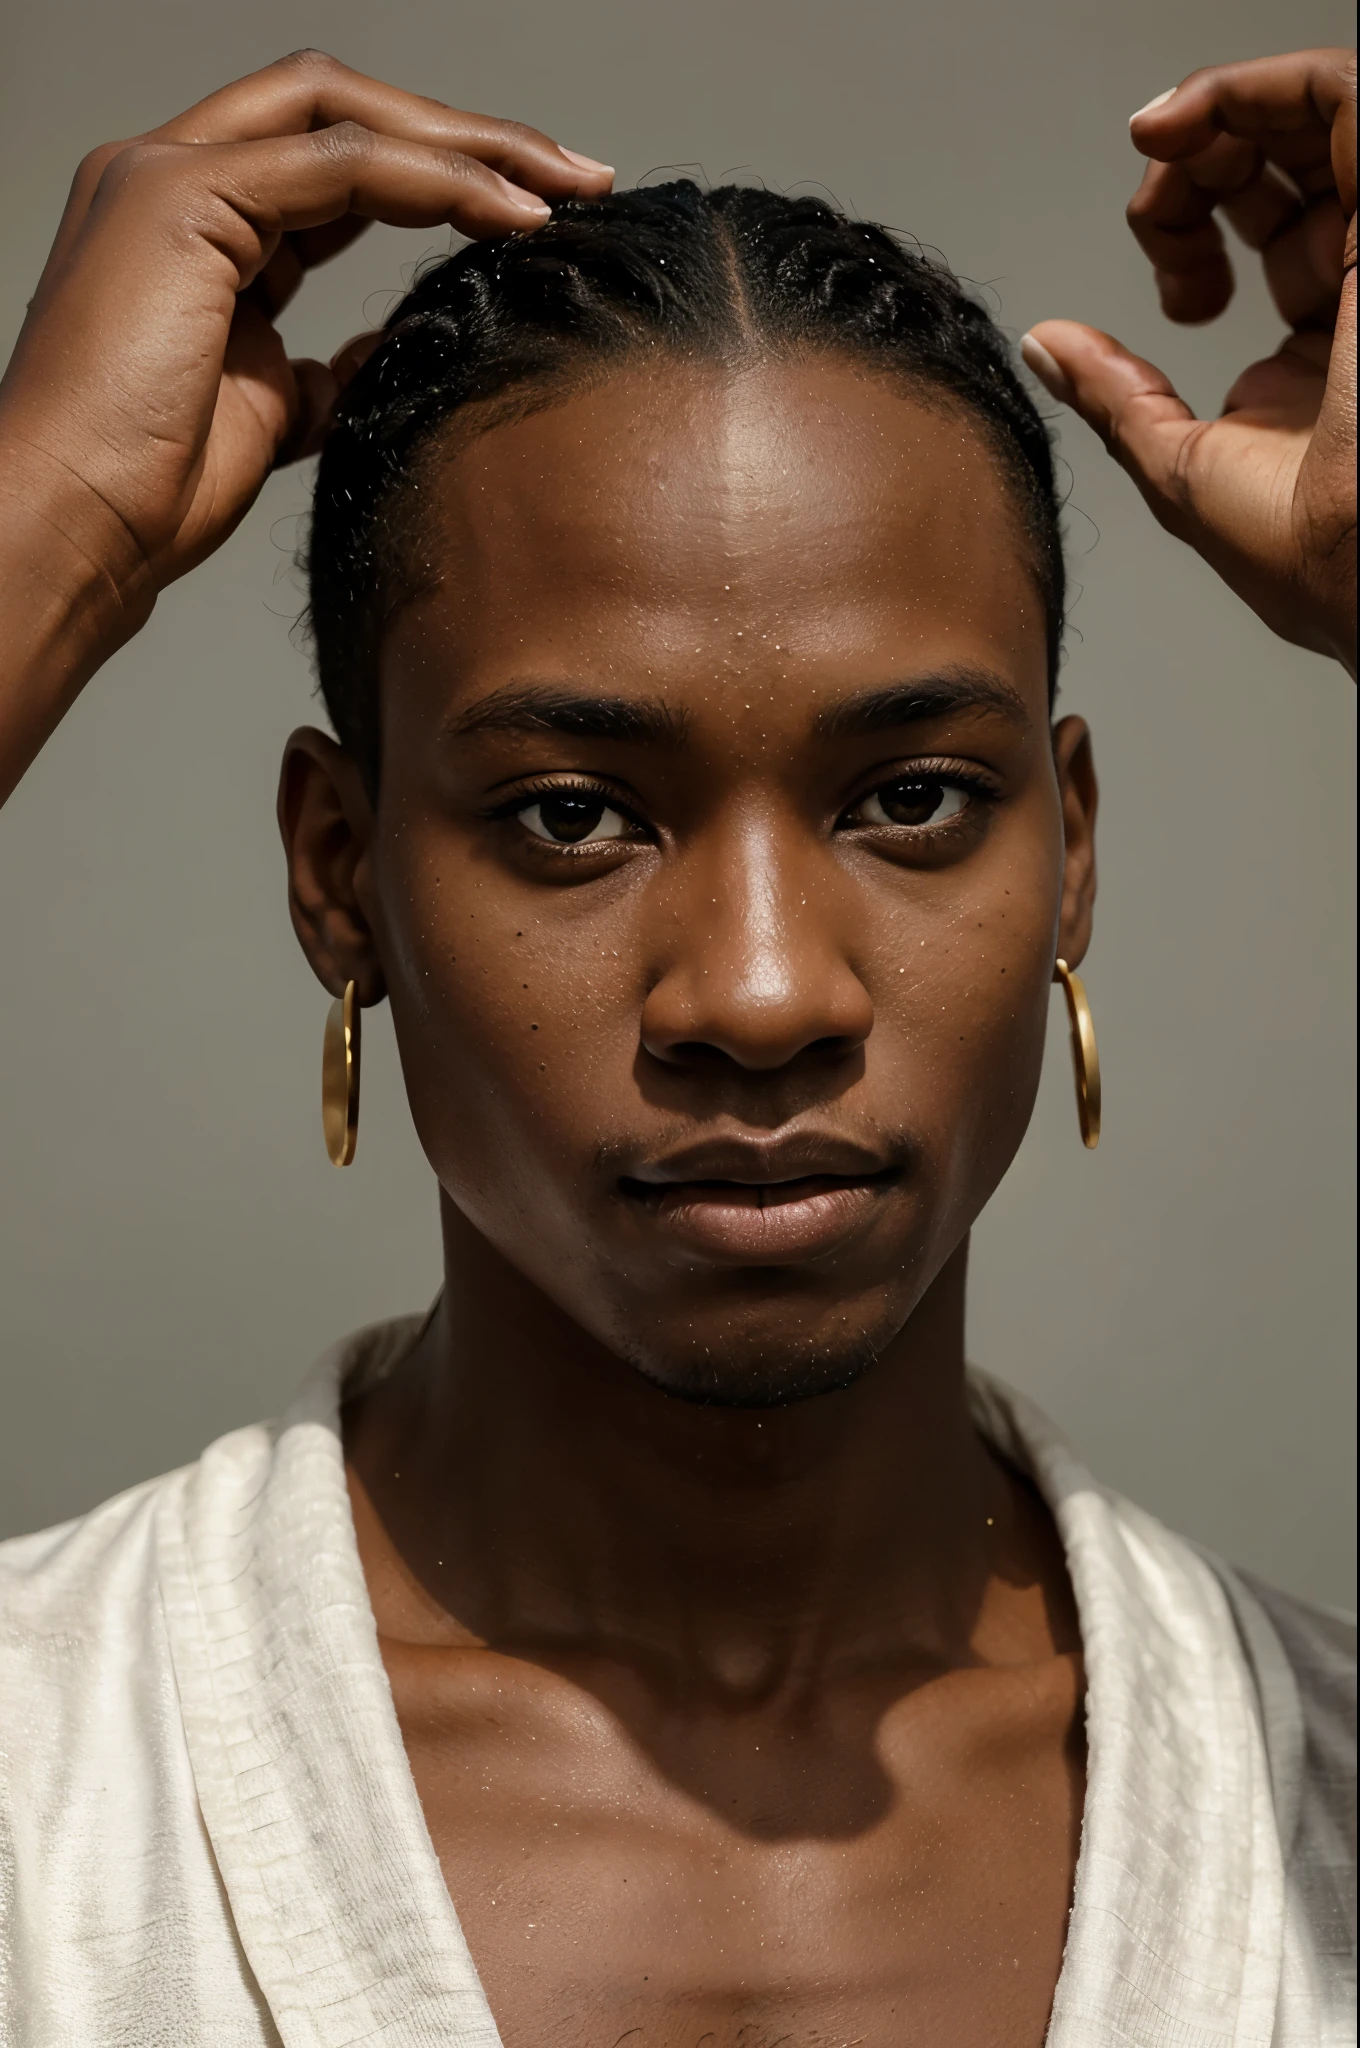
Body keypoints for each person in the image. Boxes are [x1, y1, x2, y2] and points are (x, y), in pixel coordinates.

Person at [0, 43, 1353, 2048]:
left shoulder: (1316, 1818)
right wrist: (40, 535)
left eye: (907, 798)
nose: (757, 992)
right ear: (337, 874)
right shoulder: (44, 1784)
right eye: (571, 811)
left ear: (1069, 860)